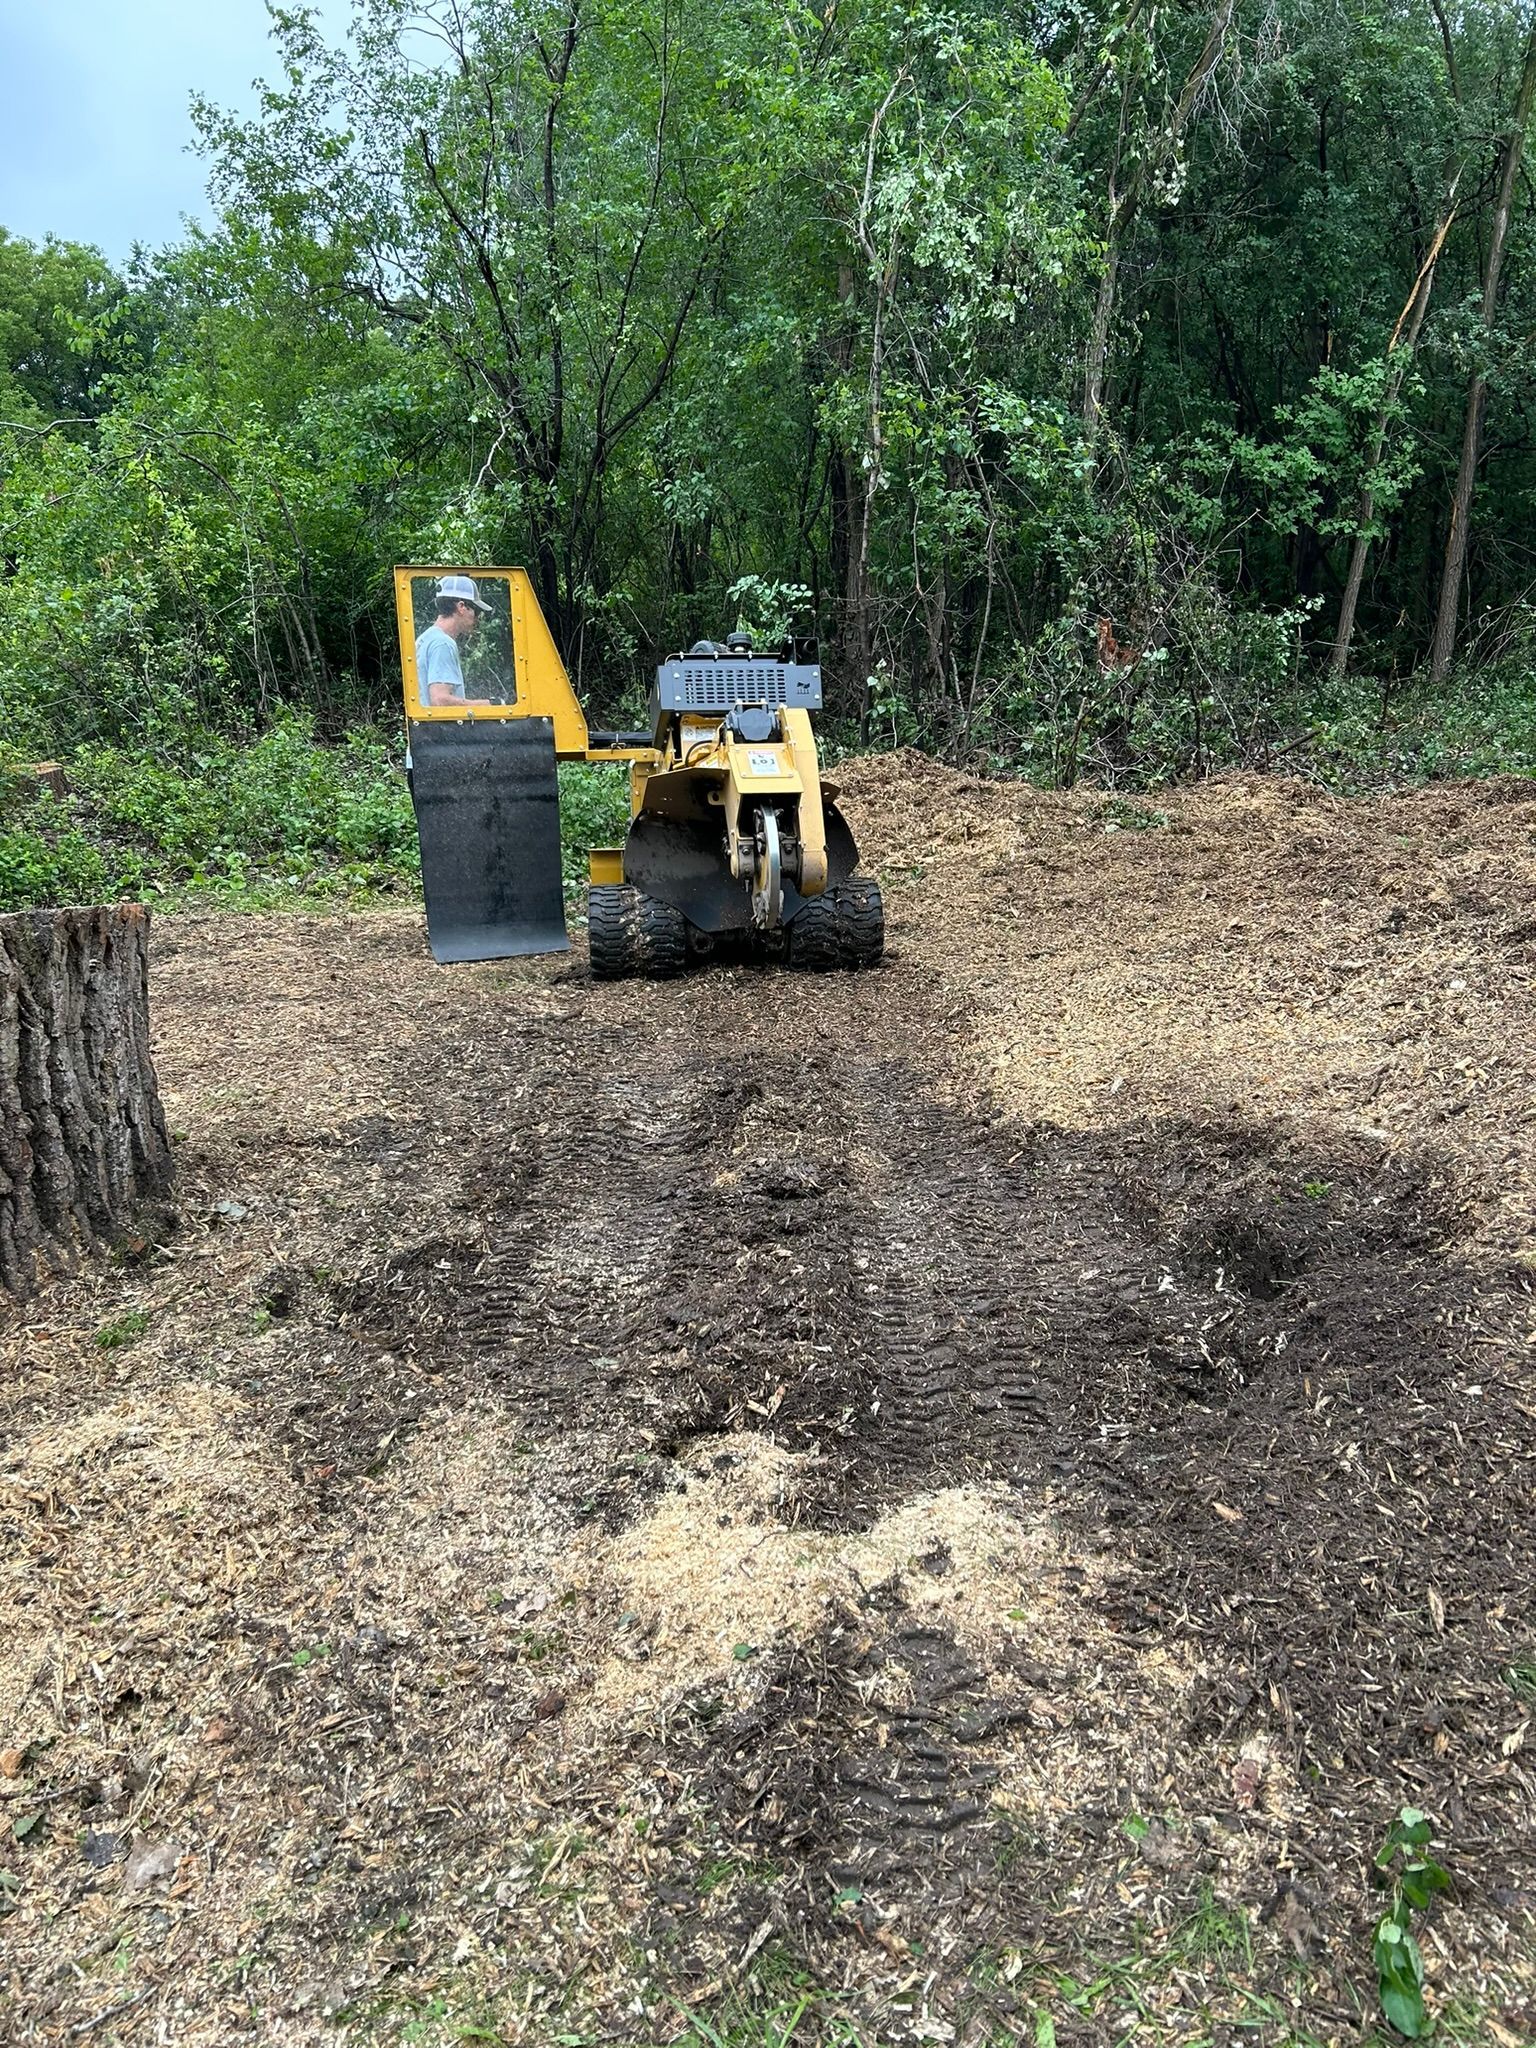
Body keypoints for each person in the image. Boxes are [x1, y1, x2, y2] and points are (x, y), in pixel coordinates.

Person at [416, 574, 495, 707]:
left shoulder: (425, 639)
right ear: (461, 607)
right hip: (438, 728)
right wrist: (486, 704)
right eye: (477, 611)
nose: (477, 619)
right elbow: (440, 700)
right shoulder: (443, 643)